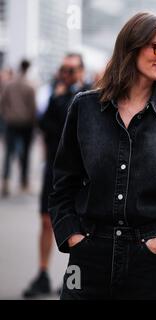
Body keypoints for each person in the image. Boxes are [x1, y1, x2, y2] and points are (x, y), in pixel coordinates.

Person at [49, 12, 156, 300]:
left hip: (150, 264)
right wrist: (72, 237)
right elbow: (63, 184)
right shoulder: (84, 108)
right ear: (132, 46)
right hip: (86, 260)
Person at [22, 53, 89, 298]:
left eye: (71, 69)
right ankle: (42, 273)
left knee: (79, 224)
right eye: (63, 69)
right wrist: (58, 97)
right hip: (54, 167)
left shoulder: (90, 96)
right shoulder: (54, 94)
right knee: (46, 220)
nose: (67, 74)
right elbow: (46, 126)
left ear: (81, 71)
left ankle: (75, 277)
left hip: (81, 172)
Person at [0, 59, 36, 197]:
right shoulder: (30, 86)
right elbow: (33, 108)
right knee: (25, 153)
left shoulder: (9, 84)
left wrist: (7, 115)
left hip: (11, 122)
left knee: (9, 153)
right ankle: (23, 181)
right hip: (26, 123)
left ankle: (6, 181)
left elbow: (2, 102)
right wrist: (33, 123)